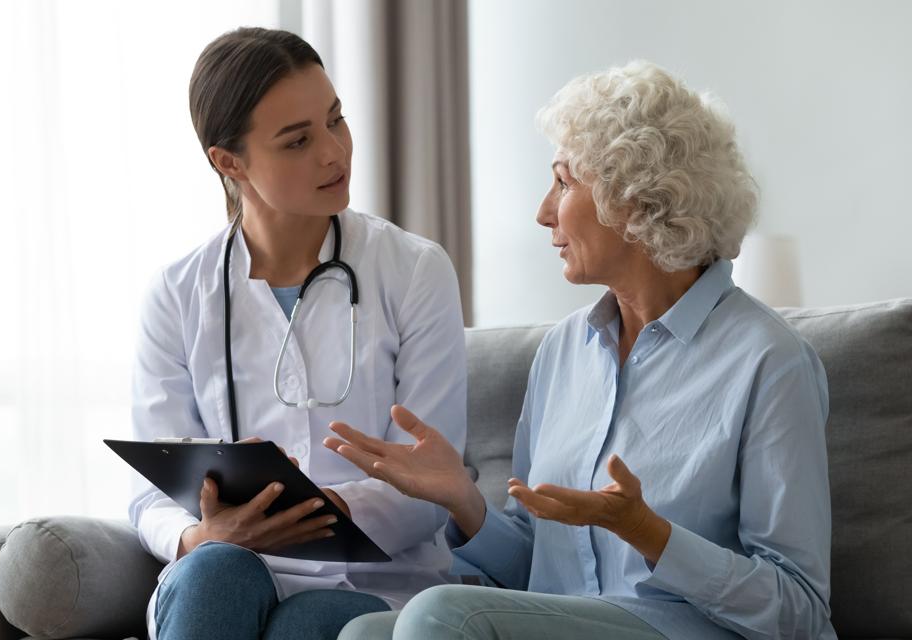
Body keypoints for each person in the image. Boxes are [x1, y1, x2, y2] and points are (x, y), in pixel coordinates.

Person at [330, 60, 836, 639]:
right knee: (363, 634)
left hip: (693, 630)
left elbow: (800, 610)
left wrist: (649, 532)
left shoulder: (770, 361)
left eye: (564, 182)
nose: (544, 211)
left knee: (437, 615)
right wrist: (462, 499)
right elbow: (541, 577)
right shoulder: (564, 350)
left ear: (636, 198)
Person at [128, 27, 467, 640]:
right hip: (225, 572)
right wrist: (203, 535)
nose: (335, 153)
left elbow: (430, 485)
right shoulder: (178, 294)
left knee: (306, 621)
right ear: (228, 162)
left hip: (374, 583)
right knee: (216, 574)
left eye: (336, 121)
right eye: (299, 141)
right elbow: (150, 491)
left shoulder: (414, 270)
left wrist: (316, 515)